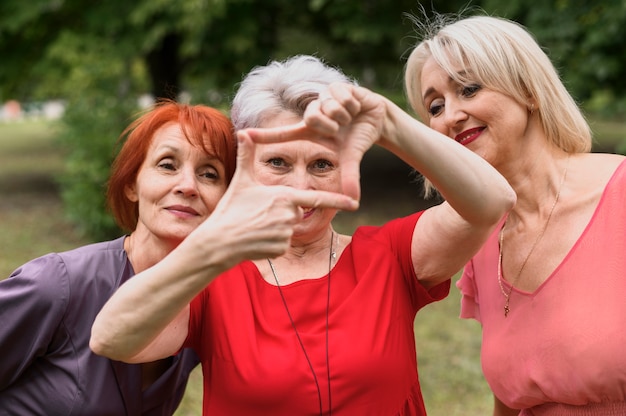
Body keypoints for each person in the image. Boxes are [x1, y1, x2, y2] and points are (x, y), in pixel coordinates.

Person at [90, 55, 515, 416]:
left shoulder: (390, 255)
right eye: (277, 163)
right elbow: (112, 338)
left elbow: (492, 200)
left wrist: (388, 124)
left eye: (322, 165)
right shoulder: (211, 276)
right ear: (247, 166)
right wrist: (211, 243)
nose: (302, 187)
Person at [404, 12, 626, 416]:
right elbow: (512, 397)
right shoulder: (481, 241)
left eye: (469, 89)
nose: (451, 116)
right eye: (435, 106)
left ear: (528, 91)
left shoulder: (621, 195)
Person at [0, 100, 238, 415]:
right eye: (167, 164)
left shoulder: (205, 305)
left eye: (209, 174)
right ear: (131, 185)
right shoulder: (57, 284)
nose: (188, 186)